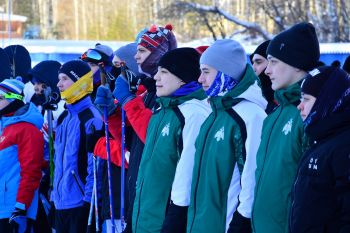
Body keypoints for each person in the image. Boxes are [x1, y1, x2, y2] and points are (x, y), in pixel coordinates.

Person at [187, 39, 267, 233]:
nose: (200, 79)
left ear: (226, 73)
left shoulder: (250, 115)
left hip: (226, 224)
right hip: (201, 223)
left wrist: (241, 223)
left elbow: (252, 176)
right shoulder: (214, 113)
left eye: (206, 72)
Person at [131, 48, 211, 233]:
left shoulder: (194, 114)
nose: (156, 78)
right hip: (146, 219)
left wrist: (175, 220)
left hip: (168, 221)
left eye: (164, 72)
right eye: (158, 71)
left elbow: (189, 175)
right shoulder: (161, 112)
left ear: (182, 78)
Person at [251, 22, 320, 233]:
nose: (267, 70)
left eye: (273, 62)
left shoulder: (310, 112)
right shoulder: (274, 114)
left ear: (296, 64)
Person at [112, 24, 177, 233]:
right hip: (139, 196)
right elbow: (128, 139)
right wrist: (112, 115)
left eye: (142, 51)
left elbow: (153, 137)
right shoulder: (150, 92)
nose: (136, 57)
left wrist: (129, 101)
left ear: (159, 53)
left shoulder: (170, 95)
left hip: (159, 204)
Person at [290, 66, 350, 233]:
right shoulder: (321, 140)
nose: (299, 106)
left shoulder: (343, 146)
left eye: (306, 99)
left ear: (327, 101)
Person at [51, 60, 104, 233]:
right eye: (59, 79)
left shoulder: (91, 118)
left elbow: (95, 166)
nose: (59, 84)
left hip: (80, 203)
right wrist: (54, 197)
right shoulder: (63, 117)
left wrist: (89, 202)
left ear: (79, 81)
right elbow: (58, 163)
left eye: (64, 78)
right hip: (61, 202)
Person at [0, 78, 44, 233]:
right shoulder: (4, 127)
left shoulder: (27, 130)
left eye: (1, 97)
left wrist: (21, 206)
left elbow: (31, 171)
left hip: (14, 209)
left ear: (15, 99)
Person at [28, 60, 65, 232]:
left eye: (39, 83)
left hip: (58, 174)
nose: (36, 88)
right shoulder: (45, 106)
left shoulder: (61, 108)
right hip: (46, 173)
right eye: (34, 83)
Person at [250, 40, 277, 114]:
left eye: (258, 62)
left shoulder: (285, 100)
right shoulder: (253, 97)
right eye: (252, 63)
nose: (253, 68)